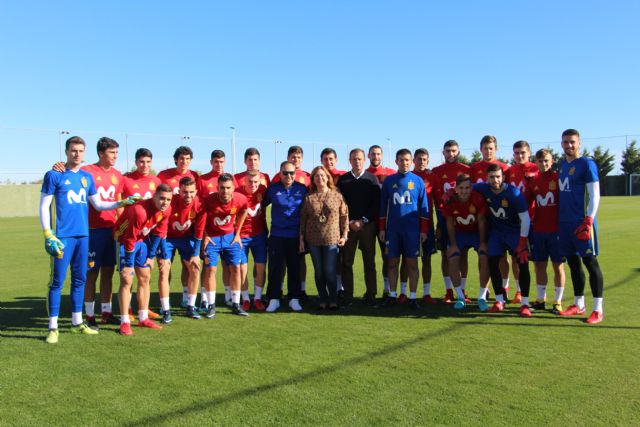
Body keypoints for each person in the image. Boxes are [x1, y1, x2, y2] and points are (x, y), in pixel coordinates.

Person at [40, 136, 140, 344]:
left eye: (80, 151)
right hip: (63, 238)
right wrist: (48, 234)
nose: (77, 154)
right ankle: (53, 327)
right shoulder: (54, 175)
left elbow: (99, 205)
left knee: (80, 280)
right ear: (67, 152)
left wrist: (121, 202)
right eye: (73, 150)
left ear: (84, 153)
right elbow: (44, 206)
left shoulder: (86, 178)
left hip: (83, 236)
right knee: (57, 282)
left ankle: (77, 323)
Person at [557, 129, 604, 324]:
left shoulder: (586, 164)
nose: (569, 145)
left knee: (590, 263)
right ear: (561, 144)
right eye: (566, 142)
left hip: (581, 223)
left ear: (579, 143)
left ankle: (598, 309)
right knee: (574, 264)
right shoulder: (562, 166)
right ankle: (578, 304)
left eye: (572, 142)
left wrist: (589, 220)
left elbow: (595, 194)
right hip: (564, 224)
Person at [473, 164, 532, 316]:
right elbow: (464, 185)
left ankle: (525, 303)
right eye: (492, 177)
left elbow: (525, 218)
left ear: (504, 177)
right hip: (496, 234)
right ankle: (500, 300)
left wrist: (523, 242)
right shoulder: (483, 188)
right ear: (487, 178)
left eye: (498, 176)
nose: (495, 180)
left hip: (514, 233)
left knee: (522, 264)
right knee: (493, 263)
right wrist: (451, 192)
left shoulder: (513, 193)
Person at [114, 184, 172, 335]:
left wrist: (151, 257)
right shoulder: (140, 211)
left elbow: (159, 233)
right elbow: (129, 238)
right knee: (127, 279)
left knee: (145, 277)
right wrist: (128, 264)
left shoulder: (166, 210)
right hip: (124, 240)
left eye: (168, 199)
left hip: (142, 240)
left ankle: (143, 317)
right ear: (154, 197)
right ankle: (125, 321)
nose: (165, 202)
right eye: (162, 198)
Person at [378, 149, 429, 309]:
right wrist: (382, 229)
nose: (404, 163)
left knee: (412, 264)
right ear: (396, 162)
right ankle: (392, 295)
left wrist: (424, 230)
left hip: (412, 231)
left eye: (407, 160)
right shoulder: (389, 181)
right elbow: (382, 207)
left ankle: (413, 298)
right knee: (392, 263)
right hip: (393, 230)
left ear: (411, 161)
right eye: (401, 160)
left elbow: (424, 208)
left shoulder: (418, 181)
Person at [81, 137, 124, 326]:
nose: (115, 156)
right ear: (100, 153)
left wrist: (121, 227)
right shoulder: (87, 171)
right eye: (111, 153)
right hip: (92, 231)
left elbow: (119, 202)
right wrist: (59, 166)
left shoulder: (118, 175)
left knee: (108, 272)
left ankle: (106, 312)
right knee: (91, 273)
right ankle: (89, 315)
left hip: (111, 232)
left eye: (116, 152)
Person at [157, 176, 206, 323]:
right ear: (179, 190)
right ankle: (165, 309)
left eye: (191, 192)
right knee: (164, 268)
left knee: (195, 267)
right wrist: (165, 255)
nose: (188, 195)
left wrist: (196, 254)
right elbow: (163, 229)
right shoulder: (171, 203)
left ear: (196, 191)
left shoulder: (200, 204)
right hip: (168, 239)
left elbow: (199, 231)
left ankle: (190, 306)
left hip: (187, 239)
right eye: (185, 192)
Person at [300, 166, 349, 310]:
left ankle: (332, 299)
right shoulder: (309, 198)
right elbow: (303, 219)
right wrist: (301, 239)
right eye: (316, 176)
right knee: (319, 271)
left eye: (323, 175)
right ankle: (322, 298)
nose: (320, 178)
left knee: (329, 270)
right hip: (313, 239)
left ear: (328, 178)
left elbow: (344, 216)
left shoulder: (336, 195)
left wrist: (345, 235)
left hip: (332, 238)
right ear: (313, 180)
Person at [201, 173, 249, 317]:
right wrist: (205, 235)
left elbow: (245, 209)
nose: (225, 191)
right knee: (210, 270)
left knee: (236, 268)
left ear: (233, 188)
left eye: (228, 188)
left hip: (230, 239)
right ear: (217, 188)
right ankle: (211, 305)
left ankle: (236, 304)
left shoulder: (241, 199)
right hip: (212, 240)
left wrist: (238, 232)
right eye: (222, 188)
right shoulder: (208, 200)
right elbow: (199, 218)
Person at [470, 135, 512, 300]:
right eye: (485, 148)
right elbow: (468, 188)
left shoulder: (505, 168)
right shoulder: (473, 167)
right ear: (480, 149)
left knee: (503, 256)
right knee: (483, 254)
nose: (488, 151)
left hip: (502, 219)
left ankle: (505, 286)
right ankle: (484, 289)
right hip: (482, 217)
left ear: (496, 149)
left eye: (491, 148)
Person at [338, 148, 380, 306]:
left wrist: (363, 220)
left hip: (367, 226)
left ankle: (371, 295)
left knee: (369, 261)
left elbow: (376, 204)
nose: (357, 161)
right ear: (349, 160)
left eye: (360, 159)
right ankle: (348, 296)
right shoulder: (343, 180)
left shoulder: (372, 179)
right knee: (346, 262)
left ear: (365, 160)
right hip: (348, 227)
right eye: (354, 159)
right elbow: (340, 205)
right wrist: (348, 222)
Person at [399, 148, 441, 304]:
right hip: (407, 225)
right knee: (406, 259)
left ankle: (427, 293)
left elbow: (438, 203)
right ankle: (403, 292)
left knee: (426, 259)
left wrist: (439, 226)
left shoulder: (433, 178)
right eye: (419, 159)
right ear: (413, 161)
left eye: (424, 159)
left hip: (427, 224)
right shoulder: (407, 177)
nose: (421, 162)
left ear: (428, 161)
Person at [525, 149, 565, 314]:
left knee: (558, 267)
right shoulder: (533, 181)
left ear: (552, 161)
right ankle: (541, 300)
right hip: (538, 231)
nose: (544, 164)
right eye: (540, 161)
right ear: (536, 162)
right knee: (539, 266)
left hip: (557, 231)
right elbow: (524, 205)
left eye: (547, 161)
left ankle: (558, 302)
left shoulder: (558, 179)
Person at [264, 161, 308, 312]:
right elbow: (257, 205)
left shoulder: (302, 189)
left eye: (291, 173)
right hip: (277, 234)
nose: (288, 176)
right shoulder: (272, 189)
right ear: (280, 173)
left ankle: (294, 298)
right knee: (276, 268)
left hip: (295, 235)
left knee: (295, 267)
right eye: (285, 173)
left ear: (295, 173)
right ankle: (274, 298)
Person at [442, 174, 489, 310]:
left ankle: (482, 296)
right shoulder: (450, 200)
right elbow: (450, 222)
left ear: (471, 188)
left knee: (484, 256)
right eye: (461, 188)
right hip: (459, 233)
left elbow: (481, 221)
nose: (464, 191)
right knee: (452, 257)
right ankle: (460, 296)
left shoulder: (478, 198)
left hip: (475, 233)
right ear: (456, 188)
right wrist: (453, 245)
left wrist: (482, 243)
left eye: (467, 187)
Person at [432, 140, 472, 303]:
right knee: (445, 255)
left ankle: (462, 289)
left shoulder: (467, 170)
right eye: (448, 151)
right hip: (443, 217)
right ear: (443, 153)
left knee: (463, 254)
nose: (451, 154)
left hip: (463, 217)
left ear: (458, 152)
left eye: (454, 151)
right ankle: (449, 290)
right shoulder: (436, 171)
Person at [272, 146, 311, 298]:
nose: (296, 160)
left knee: (299, 262)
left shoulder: (307, 178)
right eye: (293, 157)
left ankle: (300, 290)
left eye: (299, 157)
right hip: (279, 232)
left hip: (298, 231)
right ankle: (278, 291)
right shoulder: (277, 177)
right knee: (279, 264)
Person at [505, 140, 539, 303]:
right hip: (514, 223)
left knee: (537, 259)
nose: (519, 156)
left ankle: (541, 296)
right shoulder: (510, 170)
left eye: (523, 153)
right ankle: (519, 291)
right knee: (516, 257)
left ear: (529, 153)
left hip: (534, 220)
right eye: (517, 153)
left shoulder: (536, 168)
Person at [197, 149, 229, 309]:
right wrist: (203, 233)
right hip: (208, 231)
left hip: (226, 231)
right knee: (208, 265)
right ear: (211, 162)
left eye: (222, 161)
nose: (219, 164)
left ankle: (228, 295)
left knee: (227, 264)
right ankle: (204, 296)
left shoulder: (230, 180)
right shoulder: (202, 180)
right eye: (216, 161)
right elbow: (199, 208)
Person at [366, 144, 397, 297]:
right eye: (373, 154)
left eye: (378, 154)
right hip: (369, 222)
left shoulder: (391, 174)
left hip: (388, 222)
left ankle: (387, 289)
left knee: (388, 256)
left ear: (382, 156)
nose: (375, 157)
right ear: (368, 156)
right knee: (369, 257)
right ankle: (370, 291)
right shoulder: (364, 174)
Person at [235, 170, 269, 311]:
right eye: (250, 182)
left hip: (259, 235)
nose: (253, 185)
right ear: (244, 181)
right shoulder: (237, 193)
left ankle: (257, 298)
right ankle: (246, 299)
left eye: (256, 182)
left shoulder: (263, 190)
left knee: (261, 267)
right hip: (242, 237)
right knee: (242, 269)